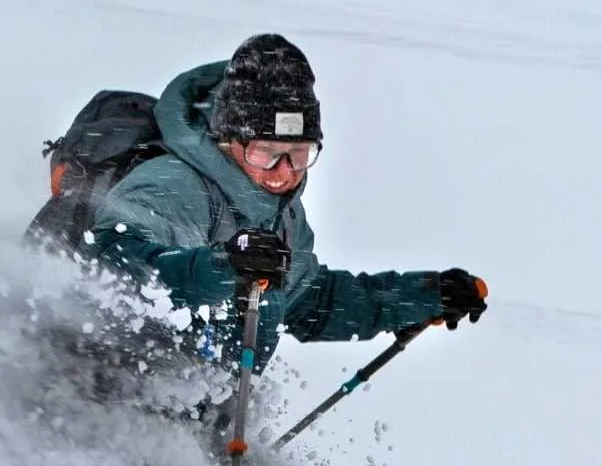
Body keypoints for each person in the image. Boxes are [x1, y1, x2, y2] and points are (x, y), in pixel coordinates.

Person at [80, 34, 486, 371]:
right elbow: (112, 265)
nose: (283, 172)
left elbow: (313, 303)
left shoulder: (279, 212)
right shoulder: (174, 185)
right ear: (227, 141)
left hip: (200, 409)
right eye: (266, 152)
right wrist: (224, 268)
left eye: (299, 154)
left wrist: (422, 296)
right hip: (104, 384)